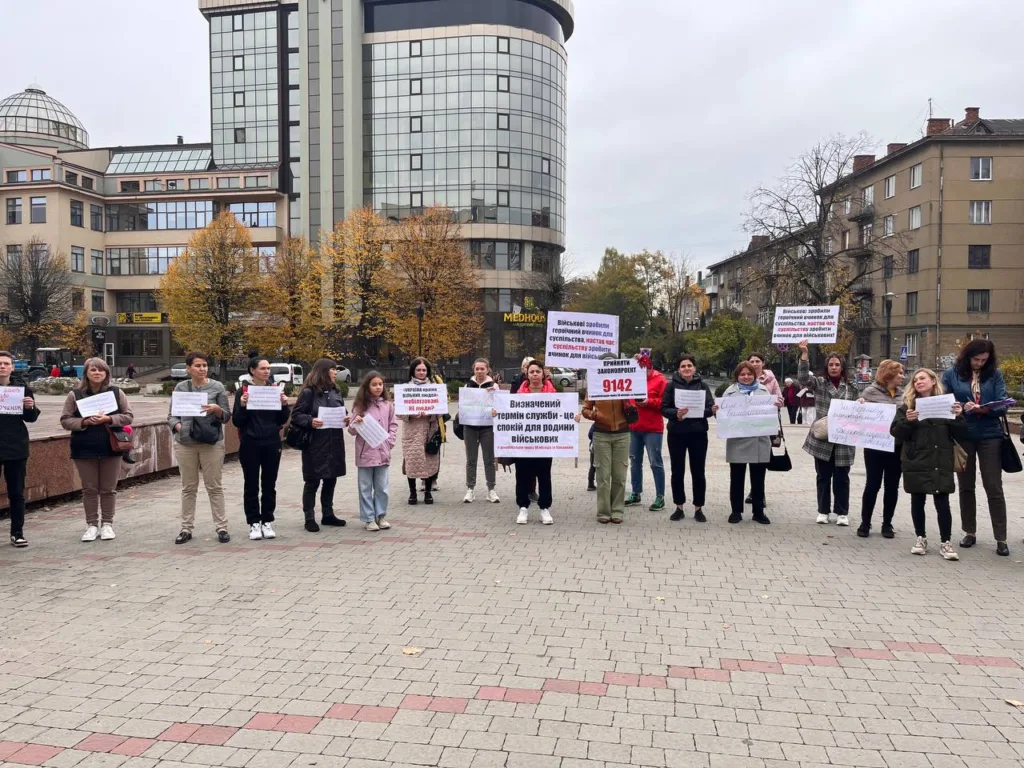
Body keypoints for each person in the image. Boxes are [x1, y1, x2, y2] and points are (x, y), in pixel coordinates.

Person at [941, 339, 1010, 556]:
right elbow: (945, 400)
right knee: (966, 485)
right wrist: (963, 407)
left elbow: (1003, 402)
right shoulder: (952, 373)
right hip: (964, 433)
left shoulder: (994, 374)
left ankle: (1001, 537)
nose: (980, 363)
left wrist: (985, 410)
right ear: (968, 356)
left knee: (993, 486)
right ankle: (969, 531)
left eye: (984, 360)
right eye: (976, 359)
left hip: (990, 434)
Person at [890, 368, 967, 560]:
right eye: (915, 380)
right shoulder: (907, 405)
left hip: (940, 460)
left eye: (922, 378)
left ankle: (945, 542)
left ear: (933, 381)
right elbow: (896, 432)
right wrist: (908, 422)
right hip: (917, 460)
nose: (918, 382)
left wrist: (959, 416)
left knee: (942, 502)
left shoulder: (947, 403)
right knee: (918, 499)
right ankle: (920, 538)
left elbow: (963, 434)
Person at [60, 358, 134, 542]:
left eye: (101, 370)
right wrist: (84, 422)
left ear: (106, 374)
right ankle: (92, 525)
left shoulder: (116, 393)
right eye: (93, 370)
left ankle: (107, 524)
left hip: (111, 446)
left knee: (108, 489)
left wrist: (108, 420)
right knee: (89, 489)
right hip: (84, 447)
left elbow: (128, 416)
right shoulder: (74, 395)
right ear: (86, 373)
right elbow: (65, 420)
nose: (97, 373)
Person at [169, 352, 232, 544]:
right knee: (188, 488)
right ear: (189, 369)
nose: (202, 369)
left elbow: (227, 416)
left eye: (204, 365)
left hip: (211, 443)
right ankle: (186, 528)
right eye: (198, 365)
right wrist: (178, 427)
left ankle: (221, 527)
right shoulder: (181, 387)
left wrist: (216, 410)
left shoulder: (217, 387)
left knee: (214, 487)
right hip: (185, 443)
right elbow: (171, 416)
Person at [511, 360, 579, 524]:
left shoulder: (553, 394)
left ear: (543, 374)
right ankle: (523, 507)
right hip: (524, 442)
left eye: (537, 371)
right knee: (522, 475)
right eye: (531, 371)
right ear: (527, 374)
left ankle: (544, 508)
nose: (534, 374)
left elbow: (563, 413)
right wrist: (497, 413)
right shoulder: (519, 394)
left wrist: (574, 417)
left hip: (545, 442)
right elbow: (509, 413)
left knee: (544, 475)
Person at [798, 340, 858, 526]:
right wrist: (804, 355)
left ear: (842, 367)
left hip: (844, 438)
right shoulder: (820, 384)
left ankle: (842, 512)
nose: (834, 368)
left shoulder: (852, 387)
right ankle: (823, 510)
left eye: (837, 365)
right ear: (826, 367)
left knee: (842, 477)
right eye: (831, 365)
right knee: (823, 477)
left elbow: (862, 405)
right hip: (823, 437)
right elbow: (803, 379)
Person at [232, 356, 290, 541]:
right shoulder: (243, 391)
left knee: (269, 484)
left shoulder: (274, 390)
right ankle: (253, 523)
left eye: (268, 368)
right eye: (263, 368)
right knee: (251, 485)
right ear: (252, 370)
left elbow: (281, 420)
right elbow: (237, 421)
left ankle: (267, 521)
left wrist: (284, 405)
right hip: (250, 443)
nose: (267, 371)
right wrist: (242, 405)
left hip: (271, 442)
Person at [291, 358, 348, 531]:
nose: (335, 372)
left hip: (334, 442)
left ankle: (328, 514)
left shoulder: (336, 391)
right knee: (312, 481)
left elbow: (342, 410)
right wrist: (310, 421)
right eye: (332, 369)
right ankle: (309, 517)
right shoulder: (309, 392)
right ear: (323, 371)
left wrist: (346, 417)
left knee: (331, 478)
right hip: (315, 443)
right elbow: (296, 415)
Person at [713, 361, 771, 525]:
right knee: (737, 478)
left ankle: (758, 512)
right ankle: (736, 511)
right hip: (737, 441)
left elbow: (771, 415)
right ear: (737, 376)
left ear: (755, 375)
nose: (746, 377)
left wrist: (775, 407)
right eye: (742, 374)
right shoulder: (729, 393)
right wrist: (717, 412)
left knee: (758, 479)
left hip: (759, 441)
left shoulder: (764, 391)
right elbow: (722, 419)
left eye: (749, 374)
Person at [660, 354, 714, 522]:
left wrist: (705, 412)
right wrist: (676, 414)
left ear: (695, 368)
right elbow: (663, 408)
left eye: (689, 365)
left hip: (698, 433)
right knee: (677, 471)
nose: (686, 368)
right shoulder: (670, 386)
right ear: (678, 369)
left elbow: (709, 408)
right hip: (677, 433)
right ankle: (679, 506)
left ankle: (698, 507)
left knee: (698, 471)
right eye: (683, 366)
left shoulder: (703, 385)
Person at [582, 356, 634, 525]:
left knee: (620, 475)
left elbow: (639, 398)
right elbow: (585, 409)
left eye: (613, 363)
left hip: (623, 433)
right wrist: (596, 415)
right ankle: (603, 511)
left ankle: (617, 510)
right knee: (603, 476)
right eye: (606, 363)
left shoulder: (626, 383)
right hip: (601, 434)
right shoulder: (595, 385)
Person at [856, 360, 905, 538]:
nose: (902, 376)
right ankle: (865, 522)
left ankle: (887, 524)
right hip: (874, 447)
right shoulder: (870, 391)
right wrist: (859, 403)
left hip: (896, 447)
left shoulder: (903, 394)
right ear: (888, 374)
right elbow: (858, 415)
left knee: (892, 486)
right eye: (899, 373)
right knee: (872, 485)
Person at [349, 371, 398, 531]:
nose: (378, 387)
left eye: (380, 384)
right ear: (367, 387)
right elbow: (351, 430)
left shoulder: (388, 405)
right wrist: (355, 423)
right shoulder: (360, 405)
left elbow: (393, 425)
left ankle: (381, 515)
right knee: (365, 487)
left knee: (382, 487)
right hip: (365, 453)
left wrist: (389, 442)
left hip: (382, 452)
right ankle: (369, 518)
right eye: (374, 384)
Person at [0, 351, 39, 548]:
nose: (2, 366)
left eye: (6, 363)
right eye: (0, 363)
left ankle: (17, 532)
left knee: (16, 492)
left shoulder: (21, 389)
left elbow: (31, 418)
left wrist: (30, 407)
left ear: (12, 367)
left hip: (15, 447)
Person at [625, 351, 667, 511]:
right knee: (635, 462)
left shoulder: (660, 380)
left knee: (655, 462)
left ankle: (660, 496)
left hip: (653, 428)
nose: (641, 372)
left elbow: (665, 402)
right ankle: (636, 492)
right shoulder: (632, 379)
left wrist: (649, 402)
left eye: (643, 368)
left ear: (649, 367)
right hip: (634, 427)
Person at [401, 357, 442, 505]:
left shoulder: (434, 388)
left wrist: (430, 413)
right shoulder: (406, 388)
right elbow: (398, 410)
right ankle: (412, 493)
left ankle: (428, 492)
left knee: (429, 462)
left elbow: (441, 410)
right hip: (412, 431)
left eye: (424, 370)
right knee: (412, 461)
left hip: (429, 430)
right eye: (418, 370)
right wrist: (410, 413)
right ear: (413, 371)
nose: (421, 372)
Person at [744, 353, 783, 504]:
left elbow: (780, 399)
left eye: (757, 361)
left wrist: (771, 402)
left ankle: (759, 493)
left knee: (761, 461)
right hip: (746, 426)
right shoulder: (743, 378)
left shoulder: (771, 380)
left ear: (763, 363)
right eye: (752, 361)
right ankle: (753, 491)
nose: (754, 364)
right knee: (748, 458)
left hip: (764, 426)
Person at [462, 358, 499, 504]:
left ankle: (491, 490)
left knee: (489, 459)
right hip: (470, 427)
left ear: (487, 370)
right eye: (477, 368)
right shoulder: (467, 385)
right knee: (471, 459)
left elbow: (500, 405)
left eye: (482, 368)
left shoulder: (494, 386)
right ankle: (470, 489)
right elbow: (463, 406)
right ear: (474, 370)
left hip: (487, 427)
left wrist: (495, 405)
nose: (479, 371)